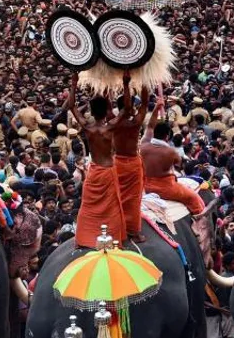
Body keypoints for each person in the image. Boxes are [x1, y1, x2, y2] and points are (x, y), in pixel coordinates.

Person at [63, 75, 125, 247]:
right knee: (111, 208)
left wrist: (74, 84)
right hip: (107, 171)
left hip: (94, 171)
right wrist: (125, 84)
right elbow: (126, 109)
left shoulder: (87, 127)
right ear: (105, 111)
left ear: (91, 109)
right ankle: (113, 238)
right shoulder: (110, 126)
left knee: (88, 206)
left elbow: (70, 106)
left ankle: (83, 238)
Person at [142, 109, 205, 215]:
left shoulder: (143, 145)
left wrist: (157, 107)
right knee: (193, 198)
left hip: (145, 185)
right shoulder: (170, 152)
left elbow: (149, 126)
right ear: (167, 137)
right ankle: (200, 221)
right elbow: (179, 163)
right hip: (164, 188)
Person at [111, 73, 149, 243]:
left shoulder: (113, 120)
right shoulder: (135, 122)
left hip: (117, 163)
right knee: (133, 198)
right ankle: (133, 231)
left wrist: (105, 86)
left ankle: (117, 226)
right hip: (132, 163)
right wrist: (145, 82)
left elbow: (105, 106)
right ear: (131, 107)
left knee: (117, 195)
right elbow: (146, 103)